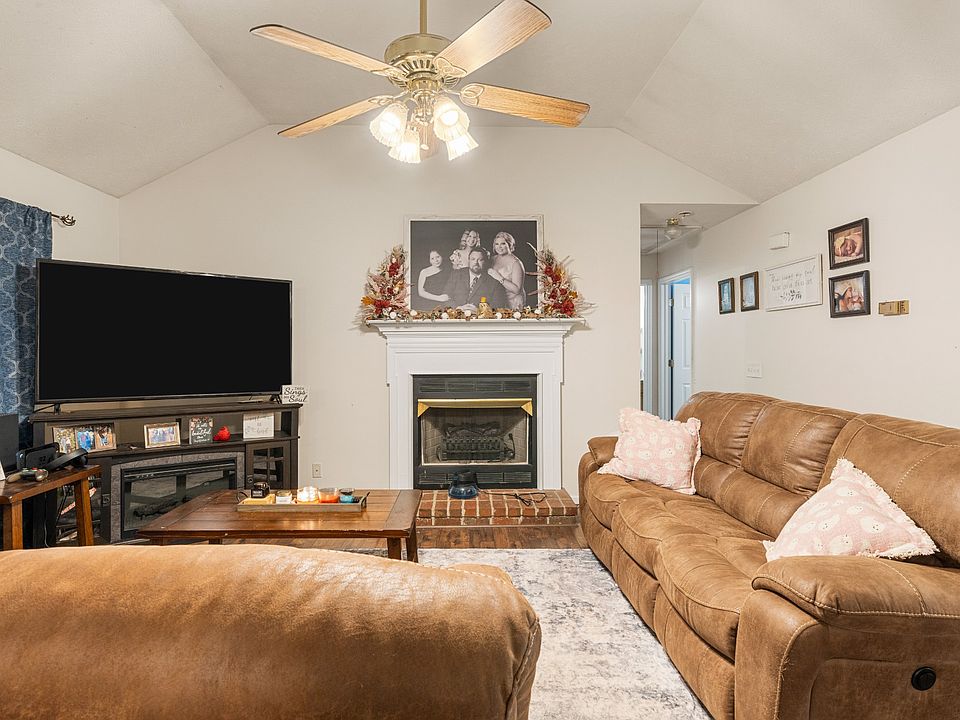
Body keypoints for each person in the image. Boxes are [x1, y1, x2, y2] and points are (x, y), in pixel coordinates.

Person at [442, 247, 508, 310]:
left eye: (480, 260)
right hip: (456, 315)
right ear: (469, 260)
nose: (476, 263)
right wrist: (458, 308)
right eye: (473, 259)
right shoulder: (456, 274)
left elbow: (498, 305)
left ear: (485, 261)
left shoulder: (493, 282)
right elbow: (446, 296)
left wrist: (479, 311)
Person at [489, 232, 526, 310]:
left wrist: (499, 278)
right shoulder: (493, 259)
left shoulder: (516, 263)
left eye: (503, 244)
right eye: (496, 244)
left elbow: (517, 290)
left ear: (510, 244)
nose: (499, 247)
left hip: (513, 302)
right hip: (497, 300)